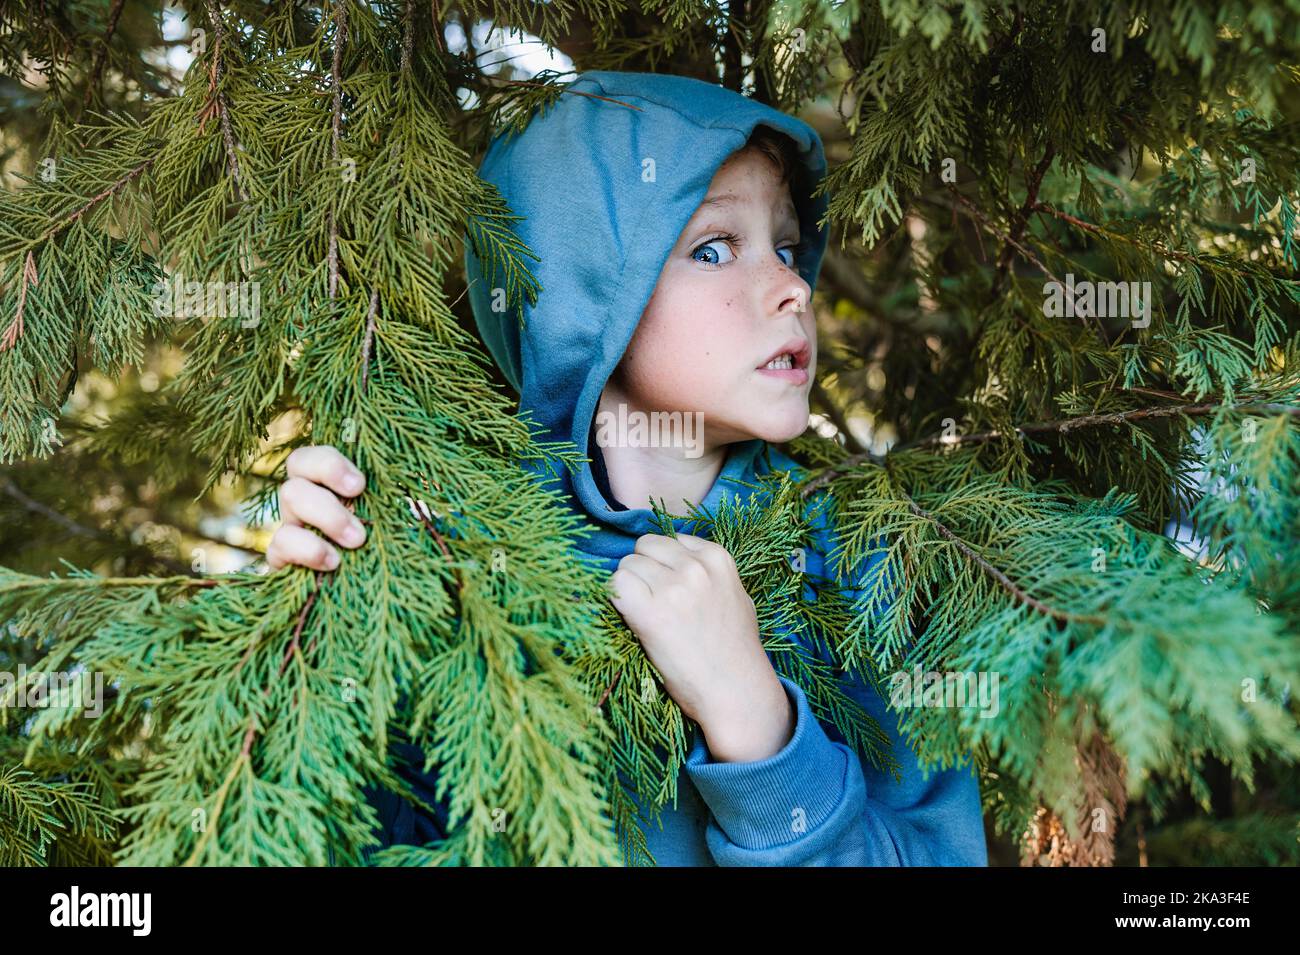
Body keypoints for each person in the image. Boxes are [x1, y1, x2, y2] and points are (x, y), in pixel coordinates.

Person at [267, 70, 988, 866]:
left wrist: (757, 727)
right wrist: (304, 640)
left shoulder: (864, 561)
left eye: (786, 248)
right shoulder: (454, 551)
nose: (790, 286)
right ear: (583, 297)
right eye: (714, 249)